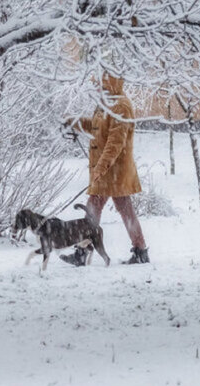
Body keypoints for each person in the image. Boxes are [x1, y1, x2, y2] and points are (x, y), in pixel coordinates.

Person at [61, 70, 149, 265]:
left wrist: (100, 168)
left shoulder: (121, 107)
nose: (96, 87)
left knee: (94, 208)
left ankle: (83, 252)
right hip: (109, 172)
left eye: (100, 83)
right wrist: (73, 121)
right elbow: (95, 127)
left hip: (114, 172)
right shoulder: (105, 105)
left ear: (110, 83)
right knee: (123, 210)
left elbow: (115, 144)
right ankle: (140, 250)